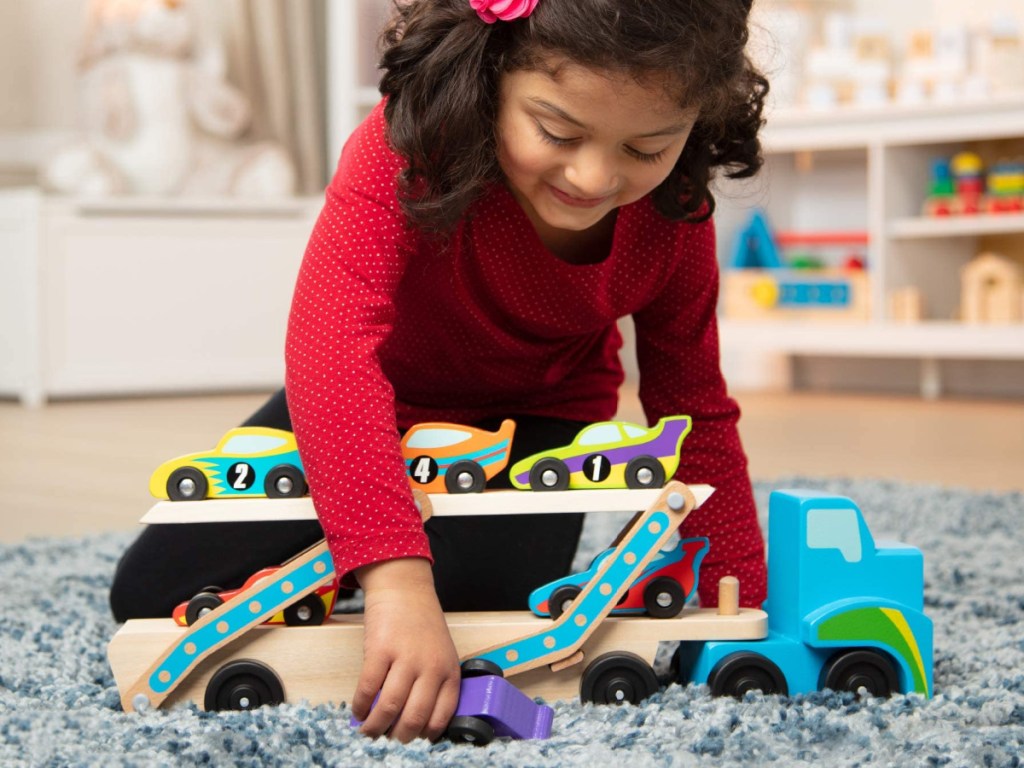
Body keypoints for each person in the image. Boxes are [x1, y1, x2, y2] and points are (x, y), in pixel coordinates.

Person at [110, 0, 770, 744]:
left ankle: (361, 557)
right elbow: (332, 351)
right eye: (557, 132)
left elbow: (693, 399)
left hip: (535, 426)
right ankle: (360, 552)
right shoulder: (402, 148)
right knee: (150, 594)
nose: (593, 175)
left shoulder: (676, 211)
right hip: (366, 402)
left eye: (646, 149)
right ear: (491, 75)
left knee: (487, 608)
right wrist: (391, 575)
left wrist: (737, 585)